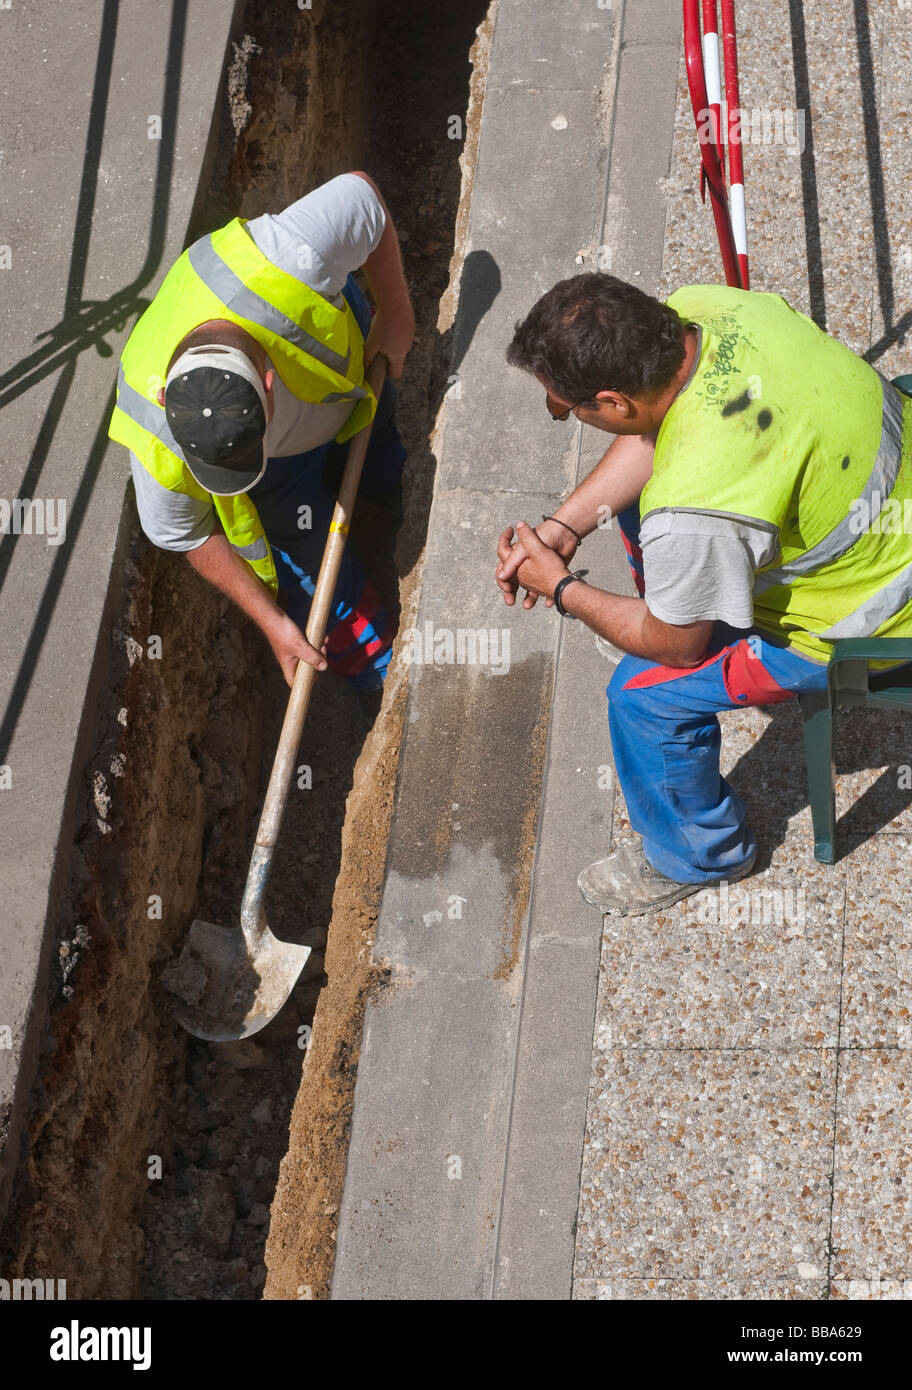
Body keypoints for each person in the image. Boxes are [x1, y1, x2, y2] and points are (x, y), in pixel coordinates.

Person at [496, 273, 912, 915]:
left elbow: (678, 647)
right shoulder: (704, 309)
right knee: (645, 514)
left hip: (873, 619)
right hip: (882, 498)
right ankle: (677, 592)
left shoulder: (695, 509)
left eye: (566, 409)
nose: (564, 415)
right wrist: (564, 526)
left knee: (641, 695)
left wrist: (562, 589)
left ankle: (699, 854)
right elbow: (651, 438)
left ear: (611, 400)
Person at [109, 171, 415, 693]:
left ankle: (392, 498)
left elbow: (364, 193)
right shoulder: (152, 432)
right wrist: (273, 623)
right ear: (165, 400)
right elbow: (186, 533)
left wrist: (395, 312)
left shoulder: (282, 258)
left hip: (345, 376)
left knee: (379, 445)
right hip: (277, 482)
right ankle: (379, 675)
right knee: (324, 583)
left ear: (269, 385)